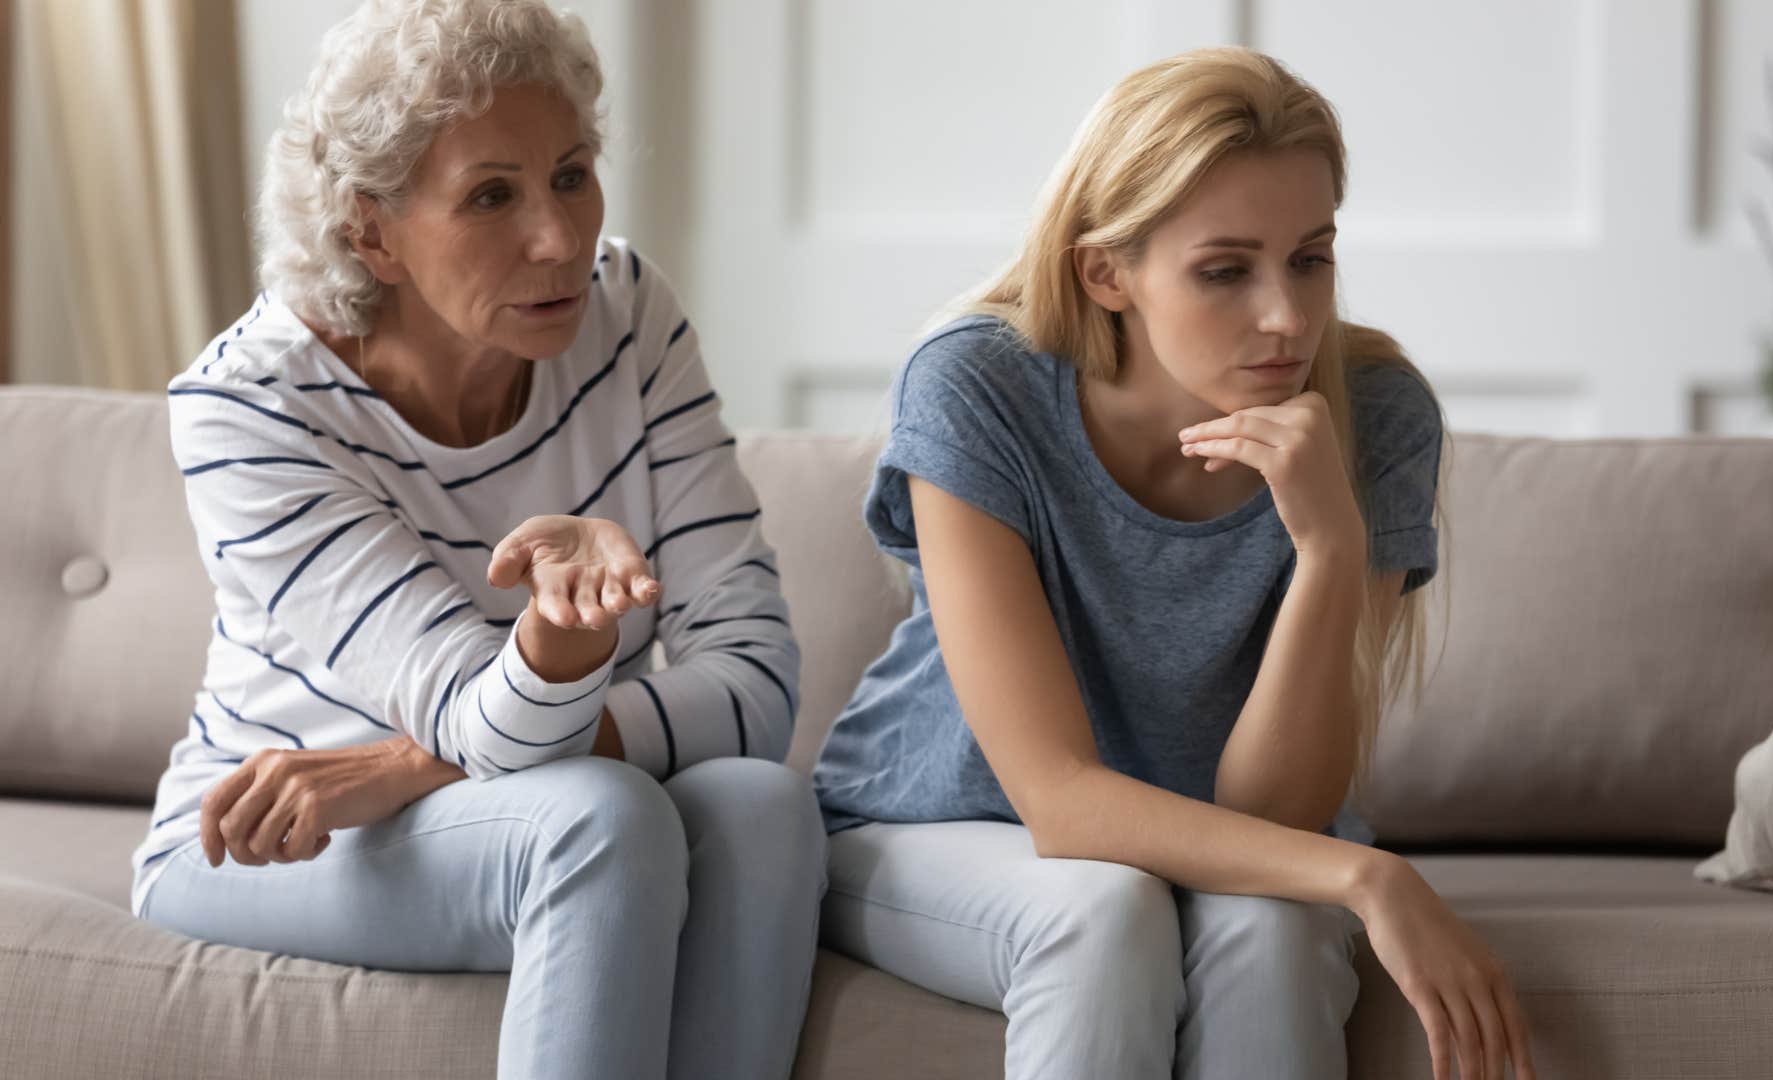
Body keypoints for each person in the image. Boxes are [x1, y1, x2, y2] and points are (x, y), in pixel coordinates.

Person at [812, 46, 1536, 1080]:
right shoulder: (976, 387)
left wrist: (1330, 548)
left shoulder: (1377, 417)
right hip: (938, 825)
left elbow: (1271, 818)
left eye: (1311, 257)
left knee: (1275, 938)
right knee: (1104, 912)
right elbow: (1059, 802)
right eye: (1226, 270)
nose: (1286, 316)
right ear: (1107, 271)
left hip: (1222, 844)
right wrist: (1371, 878)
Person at [130, 2, 824, 1077]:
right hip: (268, 835)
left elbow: (758, 681)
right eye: (491, 195)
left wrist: (403, 768)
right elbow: (476, 717)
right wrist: (561, 640)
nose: (560, 238)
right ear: (373, 231)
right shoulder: (249, 410)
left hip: (415, 790)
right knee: (594, 820)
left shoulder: (626, 311)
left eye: (572, 172)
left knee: (764, 807)